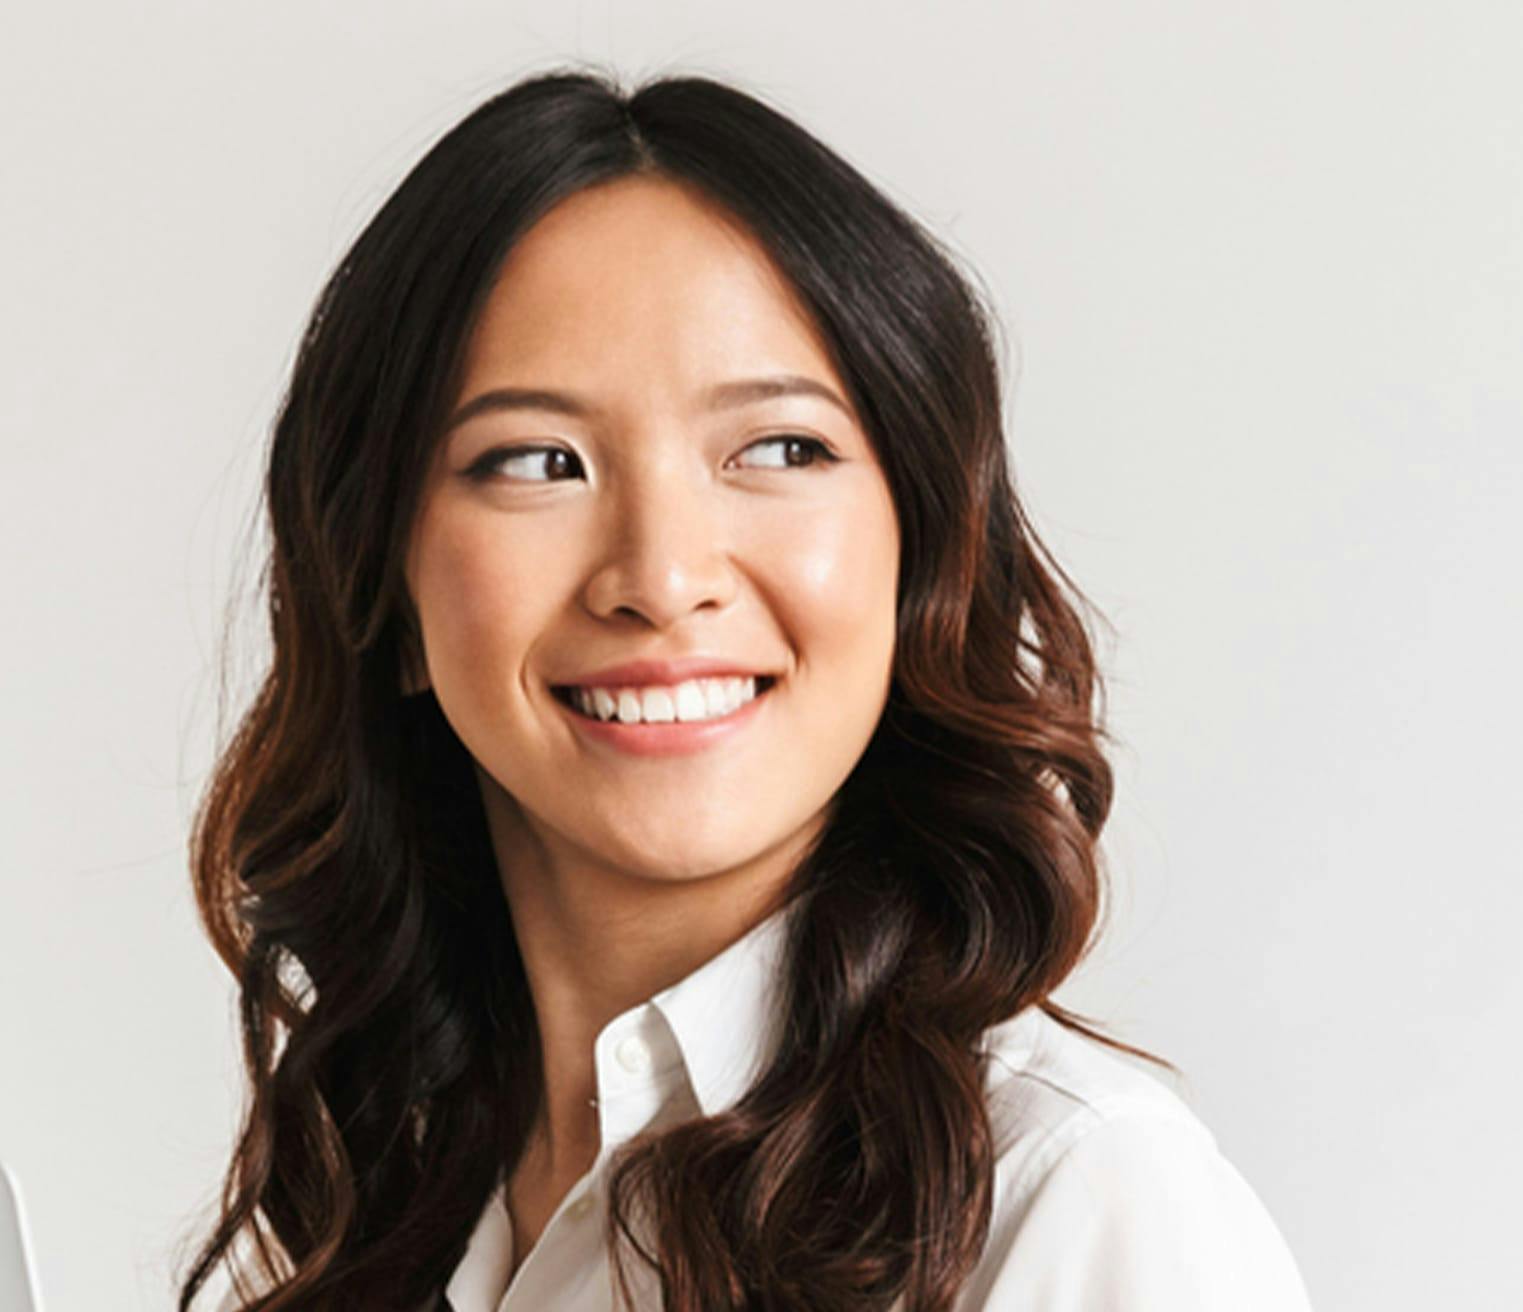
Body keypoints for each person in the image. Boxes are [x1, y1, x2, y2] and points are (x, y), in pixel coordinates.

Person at [177, 66, 1313, 1312]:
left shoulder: (1077, 1198)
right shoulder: (359, 1217)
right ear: (381, 586)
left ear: (921, 553)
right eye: (537, 461)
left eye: (779, 448)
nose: (661, 579)